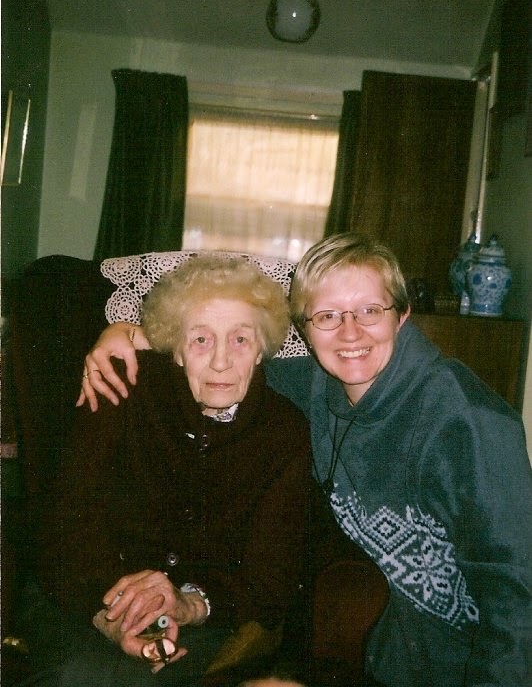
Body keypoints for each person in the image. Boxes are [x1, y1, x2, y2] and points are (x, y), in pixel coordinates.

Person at [80, 233, 532, 687]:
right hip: (387, 660)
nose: (350, 333)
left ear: (402, 314)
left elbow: (517, 595)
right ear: (304, 330)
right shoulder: (310, 385)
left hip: (478, 667)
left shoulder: (470, 423)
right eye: (328, 315)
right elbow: (224, 358)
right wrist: (126, 334)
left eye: (370, 310)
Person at [19, 254, 319, 687]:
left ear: (261, 350)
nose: (221, 361)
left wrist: (188, 603)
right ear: (175, 349)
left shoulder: (285, 432)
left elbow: (271, 576)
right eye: (200, 340)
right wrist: (113, 612)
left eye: (240, 339)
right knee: (81, 675)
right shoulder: (120, 387)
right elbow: (63, 521)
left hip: (200, 618)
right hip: (81, 594)